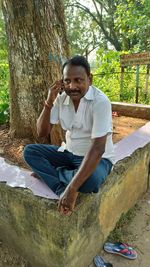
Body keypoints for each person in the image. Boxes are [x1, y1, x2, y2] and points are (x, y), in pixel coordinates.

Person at [23, 55, 114, 216]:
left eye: (78, 80)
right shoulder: (62, 99)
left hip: (98, 158)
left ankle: (58, 175)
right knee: (30, 152)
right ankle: (61, 188)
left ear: (90, 79)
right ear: (62, 82)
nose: (72, 86)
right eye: (67, 81)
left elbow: (98, 148)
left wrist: (72, 189)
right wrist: (49, 101)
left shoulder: (100, 102)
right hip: (69, 153)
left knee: (90, 182)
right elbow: (42, 133)